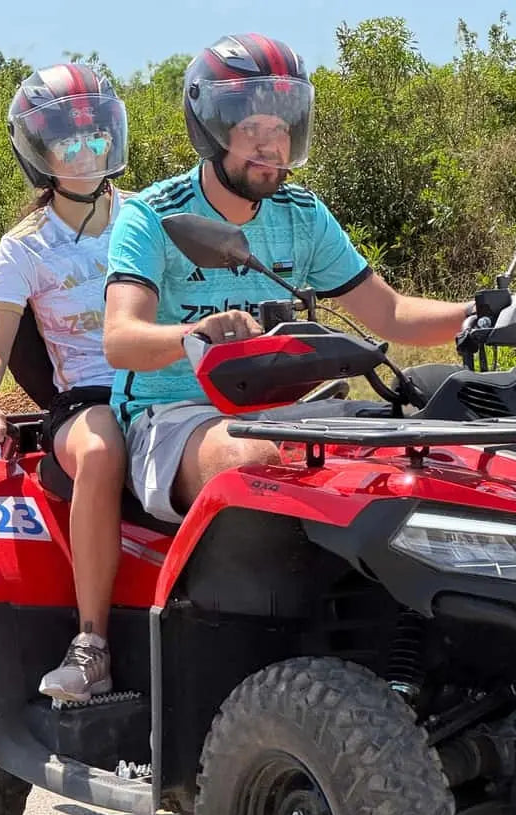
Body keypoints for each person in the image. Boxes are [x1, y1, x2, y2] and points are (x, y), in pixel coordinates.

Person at [103, 33, 482, 524]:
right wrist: (195, 334)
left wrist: (486, 312)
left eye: (281, 127)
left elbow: (390, 313)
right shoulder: (154, 214)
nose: (270, 144)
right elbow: (120, 340)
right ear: (212, 130)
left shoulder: (301, 213)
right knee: (254, 467)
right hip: (172, 416)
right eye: (251, 126)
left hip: (284, 412)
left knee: (434, 442)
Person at [0, 62, 130, 703]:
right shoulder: (25, 246)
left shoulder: (148, 220)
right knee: (104, 448)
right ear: (40, 152)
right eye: (68, 140)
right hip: (88, 400)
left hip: (168, 388)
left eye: (96, 137)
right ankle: (93, 645)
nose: (86, 151)